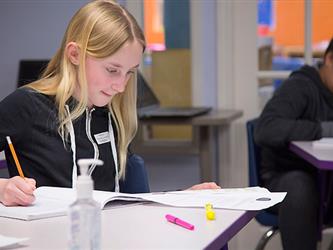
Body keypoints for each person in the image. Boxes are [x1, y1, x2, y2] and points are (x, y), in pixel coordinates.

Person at [0, 0, 220, 207]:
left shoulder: (110, 113)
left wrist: (180, 198)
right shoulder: (26, 105)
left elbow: (128, 203)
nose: (121, 86)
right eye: (113, 70)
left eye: (129, 73)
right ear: (75, 54)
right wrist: (3, 188)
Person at [254, 38, 333, 250]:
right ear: (329, 59)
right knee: (300, 188)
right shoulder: (300, 86)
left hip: (326, 179)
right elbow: (266, 128)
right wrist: (322, 130)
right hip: (285, 177)